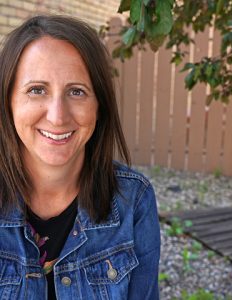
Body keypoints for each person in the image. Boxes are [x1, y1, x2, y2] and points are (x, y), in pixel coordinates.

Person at [0, 15, 160, 300]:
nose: (57, 116)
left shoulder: (133, 199)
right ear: (8, 101)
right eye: (37, 90)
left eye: (77, 91)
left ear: (99, 105)